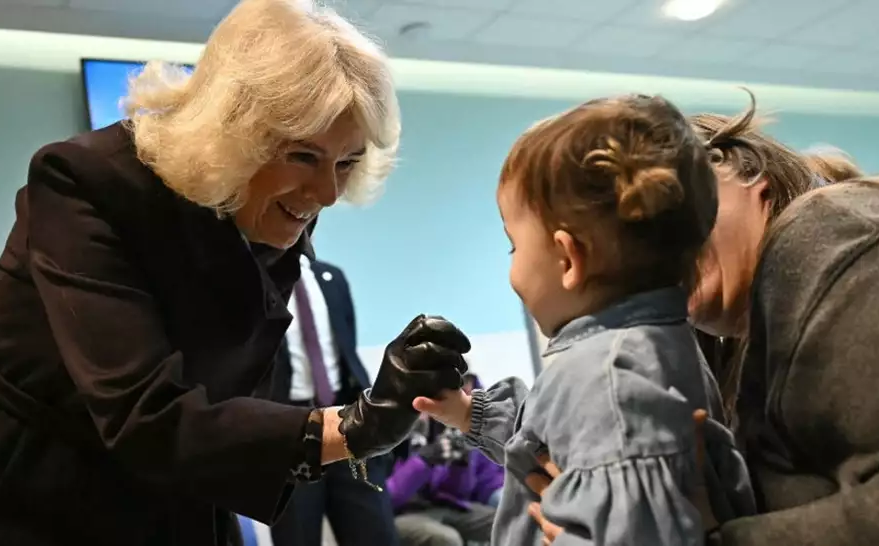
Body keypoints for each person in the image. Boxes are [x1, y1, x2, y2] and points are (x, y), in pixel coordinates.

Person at [0, 1, 470, 545]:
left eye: (346, 162)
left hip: (172, 472)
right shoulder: (84, 182)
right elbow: (145, 413)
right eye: (303, 156)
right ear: (237, 131)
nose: (327, 193)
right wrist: (356, 426)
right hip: (25, 481)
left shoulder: (268, 203)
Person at [528, 94, 879, 546]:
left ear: (745, 172)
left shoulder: (833, 236)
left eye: (659, 202)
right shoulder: (729, 344)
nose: (643, 240)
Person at [415, 94, 756, 546]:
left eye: (514, 245)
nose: (513, 267)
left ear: (568, 258)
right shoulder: (652, 350)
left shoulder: (607, 376)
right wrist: (468, 414)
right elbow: (570, 447)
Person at [269, 256, 398, 546]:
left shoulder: (332, 278)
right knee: (296, 537)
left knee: (376, 532)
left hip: (346, 421)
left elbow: (346, 348)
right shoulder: (256, 280)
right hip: (291, 430)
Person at [387, 375, 504, 546]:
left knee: (506, 520)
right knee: (447, 539)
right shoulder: (389, 437)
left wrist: (460, 466)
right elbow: (387, 497)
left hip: (443, 507)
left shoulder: (438, 430)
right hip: (402, 514)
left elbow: (457, 492)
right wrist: (423, 461)